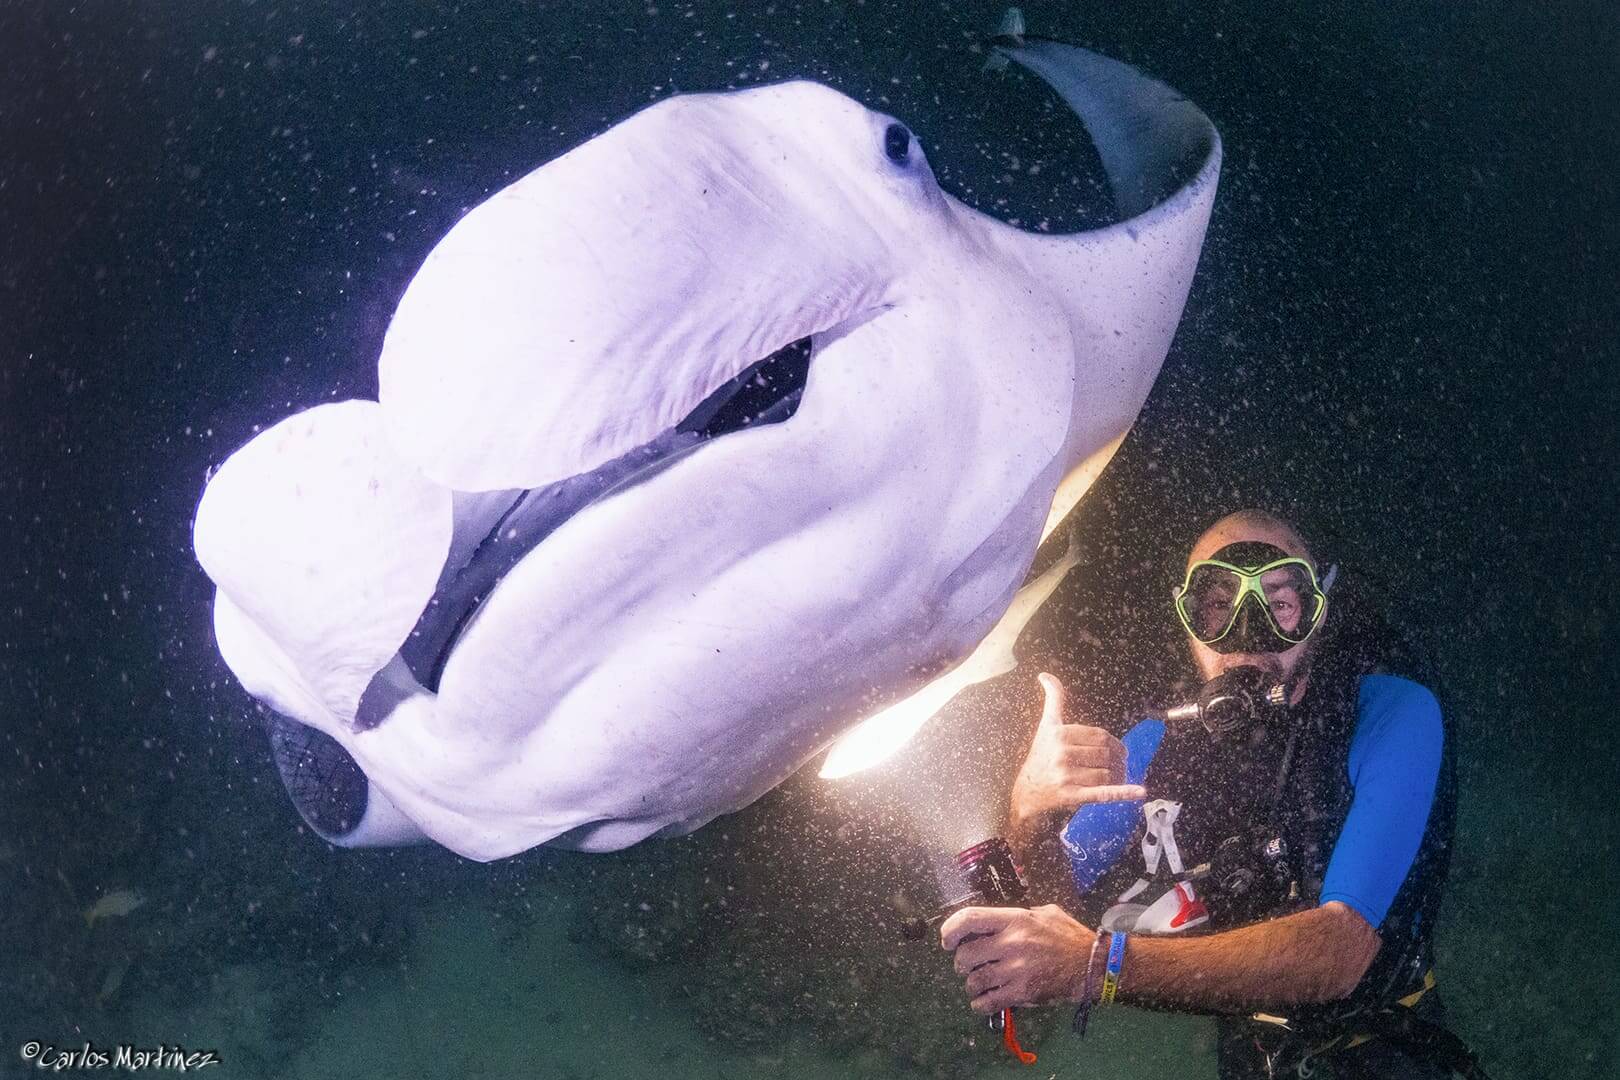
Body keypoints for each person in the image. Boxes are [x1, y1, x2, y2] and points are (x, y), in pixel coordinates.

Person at [939, 510, 1480, 1078]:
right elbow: (1048, 910)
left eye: (1279, 604)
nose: (1247, 638)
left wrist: (1099, 966)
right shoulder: (1153, 747)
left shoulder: (1391, 714)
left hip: (1389, 1051)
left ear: (1316, 614)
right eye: (1219, 606)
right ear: (1189, 621)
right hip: (1250, 1057)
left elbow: (1340, 951)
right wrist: (1029, 810)